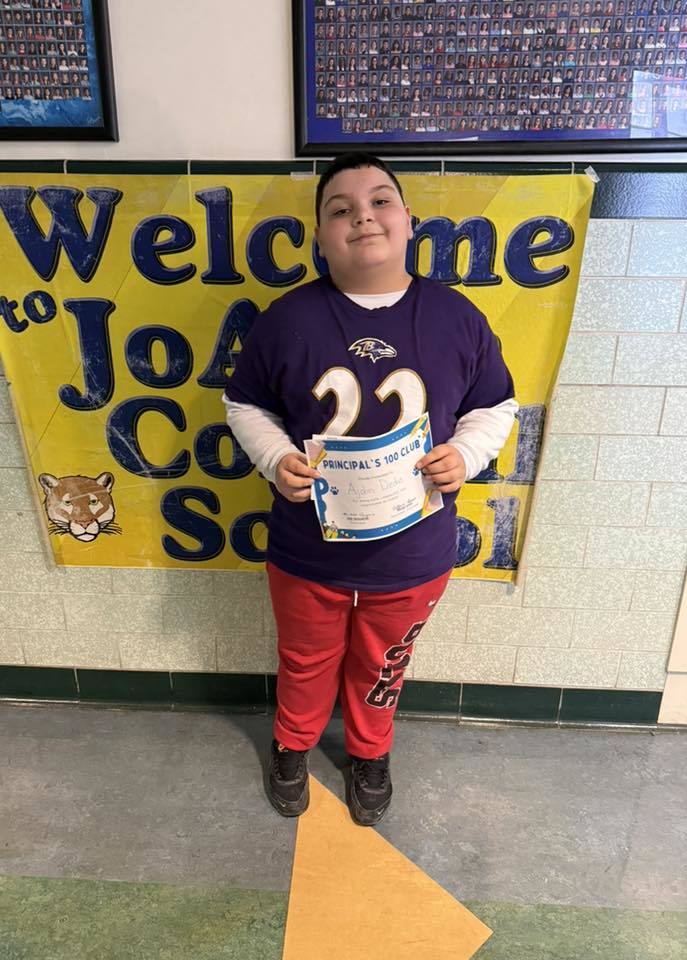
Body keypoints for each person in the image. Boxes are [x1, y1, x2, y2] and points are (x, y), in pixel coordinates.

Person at [223, 153, 517, 826]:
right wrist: (275, 457)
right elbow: (244, 403)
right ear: (319, 236)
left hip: (412, 553)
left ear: (409, 220)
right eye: (341, 209)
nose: (363, 216)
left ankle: (369, 751)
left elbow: (495, 404)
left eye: (380, 201)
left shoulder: (457, 317)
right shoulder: (286, 318)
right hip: (307, 549)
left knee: (384, 664)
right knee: (304, 659)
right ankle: (292, 744)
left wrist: (465, 454)